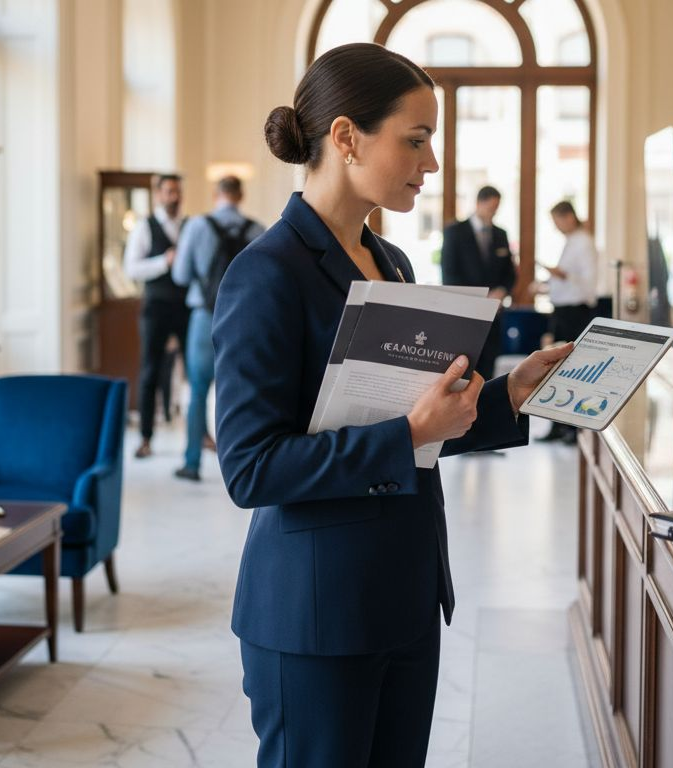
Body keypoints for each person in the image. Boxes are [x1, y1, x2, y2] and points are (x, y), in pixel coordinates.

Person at [212, 42, 573, 767]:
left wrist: (508, 395)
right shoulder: (266, 274)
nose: (431, 163)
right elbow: (250, 468)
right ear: (347, 137)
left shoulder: (393, 262)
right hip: (316, 613)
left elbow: (420, 424)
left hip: (405, 596)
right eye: (416, 139)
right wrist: (407, 432)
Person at [171, 176, 265, 481]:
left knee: (198, 390)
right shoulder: (256, 230)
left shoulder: (197, 227)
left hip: (204, 316)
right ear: (241, 195)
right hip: (244, 319)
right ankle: (243, 464)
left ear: (216, 194)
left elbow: (180, 275)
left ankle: (192, 463)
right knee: (242, 391)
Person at [125, 173, 187, 459]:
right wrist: (164, 261)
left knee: (194, 371)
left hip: (186, 307)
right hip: (155, 308)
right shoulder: (144, 227)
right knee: (150, 370)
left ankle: (201, 434)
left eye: (177, 191)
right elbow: (132, 269)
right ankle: (146, 437)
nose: (174, 197)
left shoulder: (190, 225)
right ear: (158, 195)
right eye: (169, 191)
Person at [441, 186, 515, 379]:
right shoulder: (455, 232)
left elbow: (509, 273)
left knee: (488, 369)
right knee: (464, 370)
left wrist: (502, 291)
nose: (493, 212)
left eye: (496, 208)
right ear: (478, 203)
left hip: (493, 315)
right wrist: (481, 297)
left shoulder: (500, 234)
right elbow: (449, 275)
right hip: (464, 314)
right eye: (491, 207)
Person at [538, 200, 597, 444]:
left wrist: (561, 275)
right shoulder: (571, 241)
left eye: (558, 221)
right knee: (555, 369)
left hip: (575, 312)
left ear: (569, 217)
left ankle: (573, 428)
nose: (557, 227)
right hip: (562, 311)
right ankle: (557, 424)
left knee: (573, 370)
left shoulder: (584, 242)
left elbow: (588, 282)